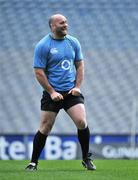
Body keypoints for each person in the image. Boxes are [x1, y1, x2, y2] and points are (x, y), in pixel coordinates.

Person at [25, 14, 96, 171]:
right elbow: (39, 72)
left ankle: (86, 158)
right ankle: (33, 162)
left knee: (82, 122)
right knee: (45, 127)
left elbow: (80, 66)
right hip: (52, 93)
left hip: (71, 92)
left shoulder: (73, 42)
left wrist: (77, 87)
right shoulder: (43, 45)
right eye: (62, 22)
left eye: (66, 22)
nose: (66, 25)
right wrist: (51, 92)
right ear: (52, 26)